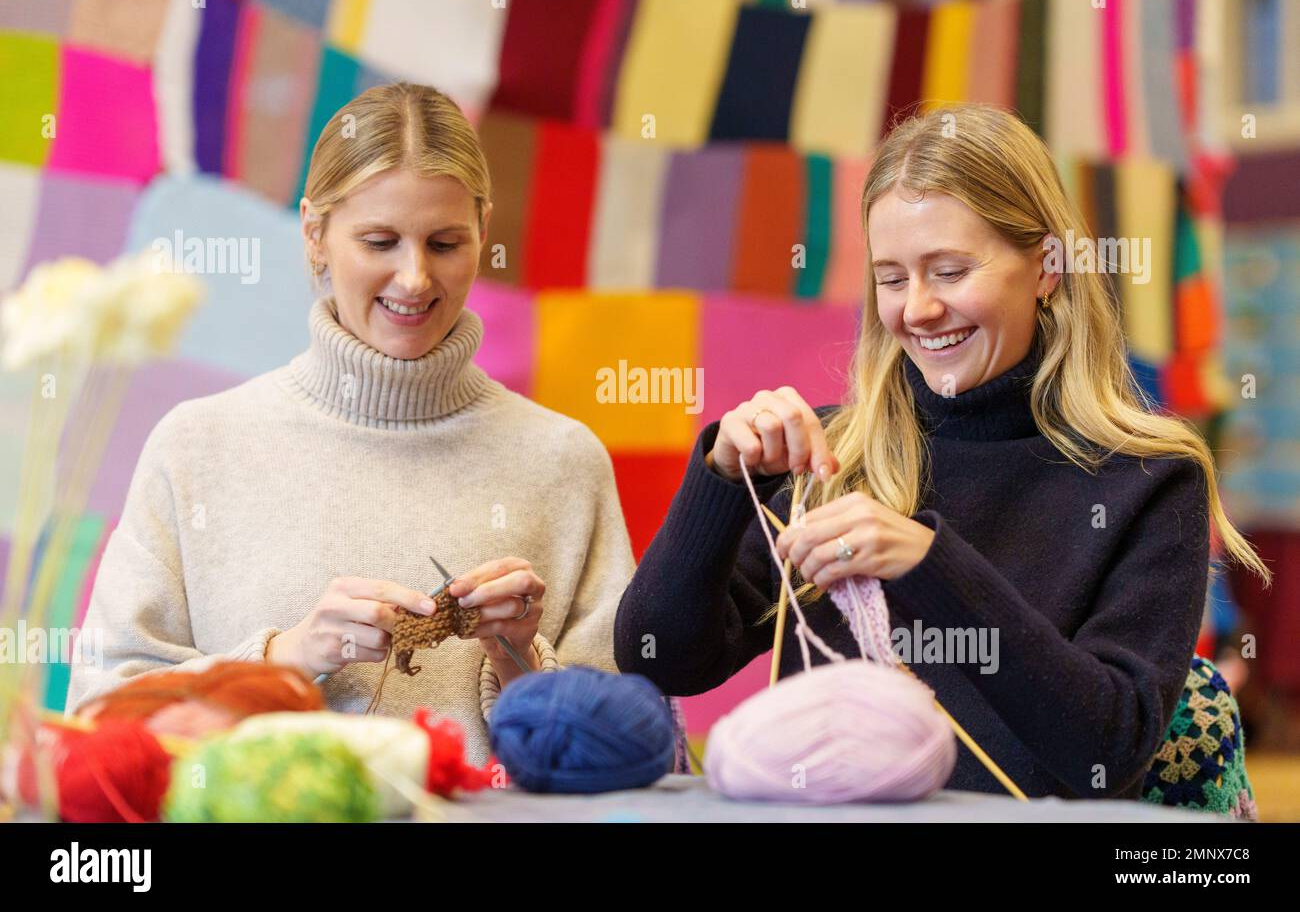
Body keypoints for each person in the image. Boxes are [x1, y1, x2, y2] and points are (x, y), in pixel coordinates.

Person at [614, 104, 1271, 800]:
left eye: (950, 271)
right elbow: (660, 659)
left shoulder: (1149, 479)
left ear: (1047, 267)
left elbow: (1107, 748)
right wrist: (718, 477)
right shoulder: (833, 462)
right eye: (892, 279)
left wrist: (930, 564)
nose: (918, 309)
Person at [66, 82, 635, 762]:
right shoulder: (195, 447)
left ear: (484, 229)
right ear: (314, 234)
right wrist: (287, 658)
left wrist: (521, 663)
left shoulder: (564, 461)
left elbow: (638, 756)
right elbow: (99, 720)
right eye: (380, 241)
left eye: (446, 242)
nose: (415, 278)